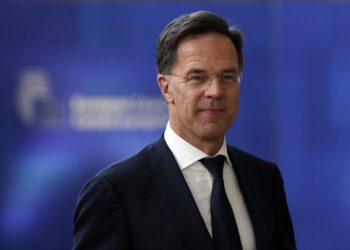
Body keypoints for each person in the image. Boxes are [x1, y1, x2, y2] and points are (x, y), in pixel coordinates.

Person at [73, 11, 296, 250]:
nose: (216, 91)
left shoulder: (264, 179)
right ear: (166, 88)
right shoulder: (114, 191)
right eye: (198, 77)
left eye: (227, 76)